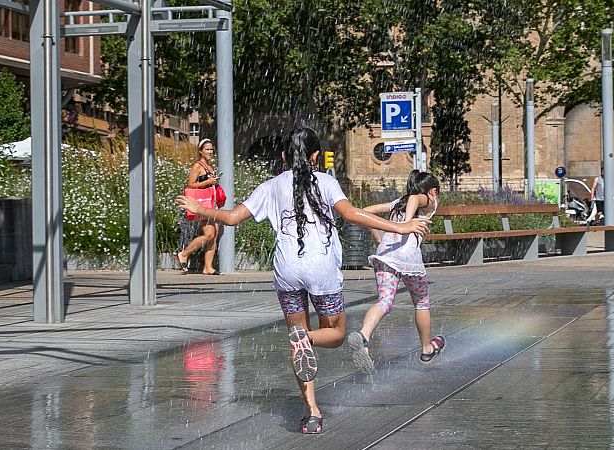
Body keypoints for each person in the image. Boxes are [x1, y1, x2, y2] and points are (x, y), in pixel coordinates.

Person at [176, 127, 429, 434]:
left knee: (296, 339)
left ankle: (312, 412)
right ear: (315, 156)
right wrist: (401, 228)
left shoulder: (271, 185)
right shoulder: (326, 181)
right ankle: (307, 339)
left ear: (283, 156)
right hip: (320, 268)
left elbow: (230, 218)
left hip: (287, 270)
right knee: (335, 334)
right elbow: (351, 214)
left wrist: (199, 208)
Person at [348, 170, 445, 374]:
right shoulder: (429, 200)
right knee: (421, 302)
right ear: (433, 190)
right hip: (408, 260)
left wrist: (378, 237)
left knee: (384, 301)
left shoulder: (396, 203)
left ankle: (364, 336)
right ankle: (427, 348)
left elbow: (365, 212)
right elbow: (414, 198)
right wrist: (406, 224)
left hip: (385, 256)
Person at [176, 138, 221, 275]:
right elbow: (190, 184)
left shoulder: (208, 166)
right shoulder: (197, 166)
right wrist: (208, 181)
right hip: (203, 204)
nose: (210, 152)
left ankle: (208, 267)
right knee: (209, 234)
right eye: (207, 149)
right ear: (201, 151)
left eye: (211, 149)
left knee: (215, 235)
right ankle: (184, 254)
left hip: (211, 203)